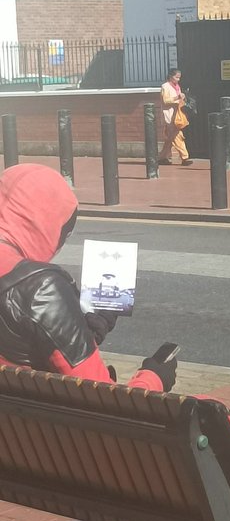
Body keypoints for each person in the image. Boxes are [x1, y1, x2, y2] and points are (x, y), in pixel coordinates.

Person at [0, 163, 175, 392]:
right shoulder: (40, 288)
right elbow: (103, 400)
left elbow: (19, 338)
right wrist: (154, 376)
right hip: (39, 424)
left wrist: (82, 335)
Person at [159, 69, 193, 167]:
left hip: (177, 114)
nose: (178, 79)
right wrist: (177, 98)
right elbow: (165, 100)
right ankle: (185, 157)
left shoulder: (177, 86)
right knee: (177, 135)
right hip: (169, 115)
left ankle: (162, 157)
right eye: (176, 77)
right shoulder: (165, 86)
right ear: (170, 76)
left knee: (170, 138)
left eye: (179, 77)